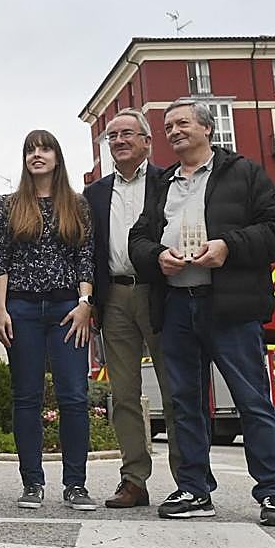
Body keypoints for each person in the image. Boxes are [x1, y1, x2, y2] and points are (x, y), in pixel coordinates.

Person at [130, 98, 275, 527]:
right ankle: (194, 489)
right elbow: (138, 239)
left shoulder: (244, 173)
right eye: (168, 126)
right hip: (176, 305)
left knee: (252, 399)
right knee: (185, 403)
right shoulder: (162, 183)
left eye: (182, 123)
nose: (173, 131)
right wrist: (156, 256)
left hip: (230, 307)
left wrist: (228, 247)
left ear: (207, 128)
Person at [0, 130, 98, 513]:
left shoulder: (77, 204)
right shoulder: (9, 205)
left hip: (68, 310)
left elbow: (85, 257)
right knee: (26, 397)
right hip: (21, 310)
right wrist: (1, 310)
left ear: (57, 156)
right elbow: (1, 260)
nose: (37, 155)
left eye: (45, 149)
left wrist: (85, 303)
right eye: (30, 150)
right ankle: (32, 482)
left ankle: (76, 484)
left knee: (74, 397)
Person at [82, 109, 180, 508]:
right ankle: (134, 480)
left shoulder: (168, 181)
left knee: (175, 390)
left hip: (159, 294)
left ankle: (188, 481)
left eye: (127, 134)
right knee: (123, 394)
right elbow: (88, 251)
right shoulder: (94, 193)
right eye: (113, 136)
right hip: (115, 297)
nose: (119, 141)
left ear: (147, 141)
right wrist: (90, 301)